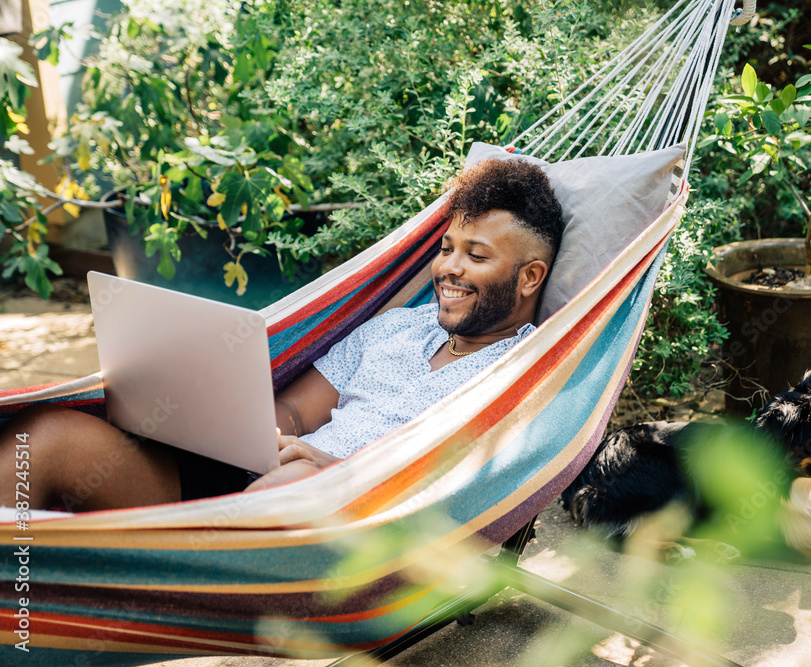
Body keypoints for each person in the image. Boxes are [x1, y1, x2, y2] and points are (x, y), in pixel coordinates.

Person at [0, 158, 564, 511]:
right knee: (44, 438)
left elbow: (456, 484)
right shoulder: (395, 327)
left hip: (344, 520)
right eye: (446, 249)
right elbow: (294, 414)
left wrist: (329, 468)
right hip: (259, 482)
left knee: (278, 493)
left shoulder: (525, 373)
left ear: (529, 277)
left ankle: (122, 580)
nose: (449, 269)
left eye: (477, 255)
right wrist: (247, 429)